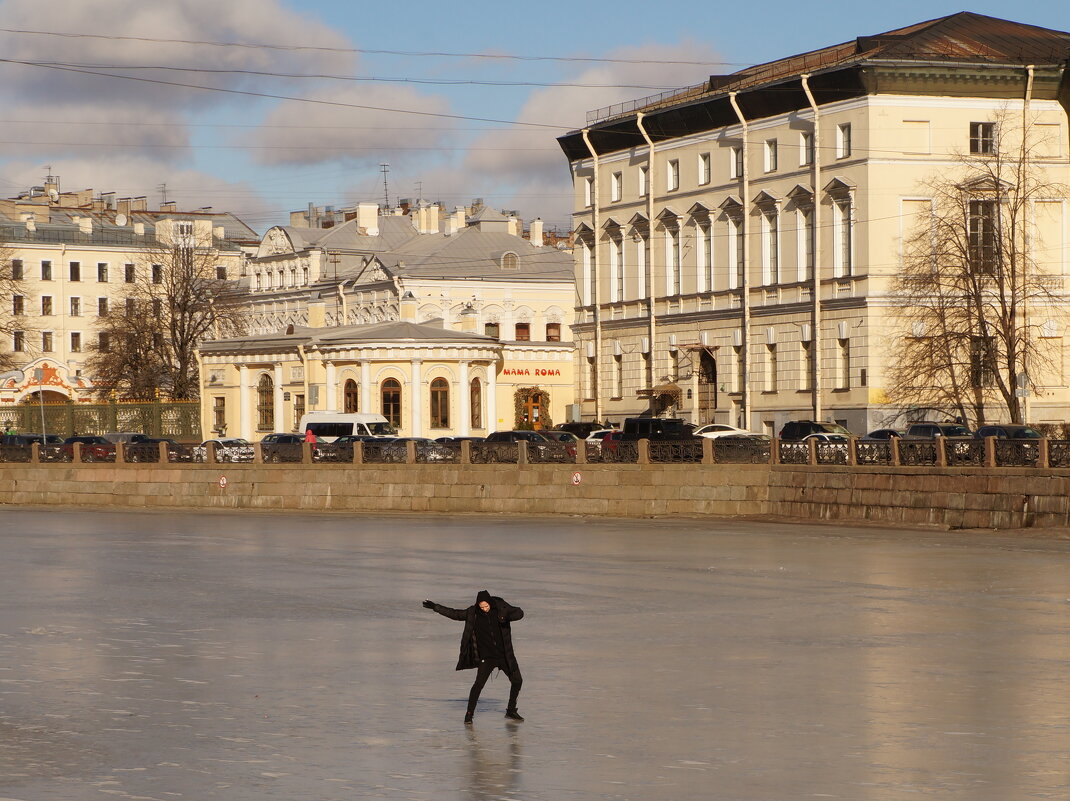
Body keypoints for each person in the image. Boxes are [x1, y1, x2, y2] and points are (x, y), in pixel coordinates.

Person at [423, 590, 525, 724]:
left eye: (486, 606)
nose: (484, 609)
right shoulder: (473, 613)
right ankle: (469, 714)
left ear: (490, 603)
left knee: (517, 681)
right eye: (481, 607)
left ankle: (511, 710)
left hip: (505, 655)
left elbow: (519, 613)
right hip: (487, 658)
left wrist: (505, 615)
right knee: (478, 685)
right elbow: (455, 614)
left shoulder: (501, 607)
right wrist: (436, 607)